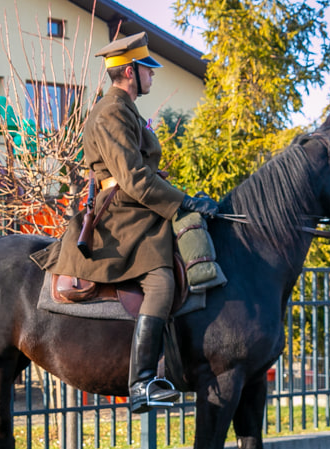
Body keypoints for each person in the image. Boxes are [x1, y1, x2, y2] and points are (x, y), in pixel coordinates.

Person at [32, 31, 218, 413]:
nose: (153, 76)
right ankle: (141, 383)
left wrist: (186, 196)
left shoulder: (125, 109)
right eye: (148, 69)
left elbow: (144, 173)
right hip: (122, 213)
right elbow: (132, 178)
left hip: (136, 206)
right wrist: (179, 203)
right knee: (161, 282)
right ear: (131, 72)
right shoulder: (113, 110)